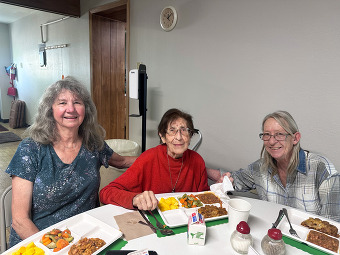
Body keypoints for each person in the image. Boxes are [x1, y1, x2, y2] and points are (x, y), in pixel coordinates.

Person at [5, 76, 137, 246]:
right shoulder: (30, 149)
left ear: (85, 110)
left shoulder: (93, 144)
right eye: (62, 103)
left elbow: (123, 161)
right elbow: (20, 221)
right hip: (39, 242)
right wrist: (56, 249)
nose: (71, 109)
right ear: (49, 109)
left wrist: (162, 152)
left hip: (85, 237)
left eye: (77, 102)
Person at [218, 110, 340, 222]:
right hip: (272, 236)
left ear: (295, 138)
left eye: (279, 134)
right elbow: (234, 179)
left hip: (311, 241)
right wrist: (207, 171)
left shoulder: (322, 169)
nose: (271, 141)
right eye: (267, 134)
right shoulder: (260, 167)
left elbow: (333, 226)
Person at [100, 108, 210, 210]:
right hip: (153, 222)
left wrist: (220, 187)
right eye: (172, 130)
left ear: (190, 136)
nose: (179, 137)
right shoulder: (148, 158)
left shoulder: (197, 161)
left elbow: (205, 200)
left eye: (184, 130)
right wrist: (135, 199)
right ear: (162, 137)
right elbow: (106, 193)